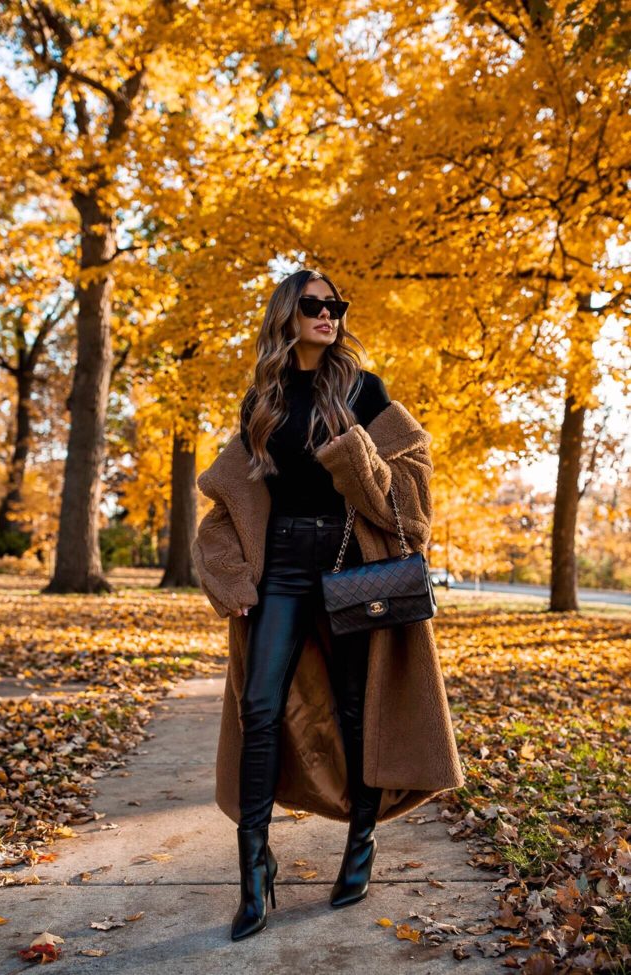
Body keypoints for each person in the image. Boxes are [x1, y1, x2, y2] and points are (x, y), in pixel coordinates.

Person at [192, 267, 465, 942]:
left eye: (335, 305)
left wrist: (353, 455)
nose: (328, 314)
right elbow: (235, 493)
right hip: (281, 563)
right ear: (288, 313)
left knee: (354, 708)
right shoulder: (263, 396)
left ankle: (360, 846)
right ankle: (254, 867)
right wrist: (233, 566)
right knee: (260, 704)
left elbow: (409, 490)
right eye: (314, 304)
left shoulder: (363, 389)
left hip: (350, 562)